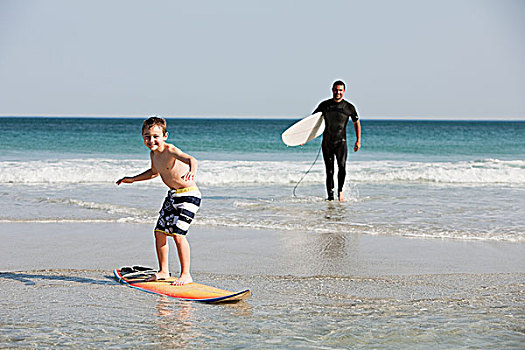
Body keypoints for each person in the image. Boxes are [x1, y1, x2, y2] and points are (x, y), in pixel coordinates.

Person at [116, 116, 201, 286]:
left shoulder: (170, 150)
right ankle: (163, 271)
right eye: (147, 136)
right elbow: (154, 173)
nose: (151, 140)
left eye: (156, 136)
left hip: (189, 196)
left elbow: (192, 159)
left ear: (165, 135)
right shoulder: (153, 154)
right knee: (159, 232)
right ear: (142, 137)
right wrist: (132, 179)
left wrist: (192, 171)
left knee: (178, 235)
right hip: (173, 196)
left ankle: (186, 274)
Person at [313, 80, 361, 202]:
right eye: (336, 90)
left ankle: (339, 192)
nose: (337, 92)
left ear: (344, 91)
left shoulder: (349, 107)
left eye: (340, 90)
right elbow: (312, 121)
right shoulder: (325, 105)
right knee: (329, 171)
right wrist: (304, 138)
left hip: (341, 142)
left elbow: (356, 123)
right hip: (327, 143)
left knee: (342, 167)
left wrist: (358, 140)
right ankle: (330, 197)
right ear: (332, 90)